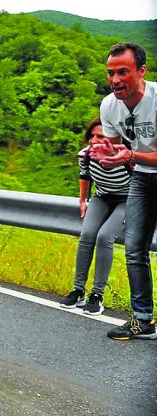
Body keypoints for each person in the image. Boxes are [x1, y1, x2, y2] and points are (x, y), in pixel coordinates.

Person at [90, 42, 157, 340]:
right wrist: (105, 155)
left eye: (123, 72)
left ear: (141, 71)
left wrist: (130, 156)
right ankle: (143, 320)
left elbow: (130, 154)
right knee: (134, 250)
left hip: (143, 167)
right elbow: (115, 147)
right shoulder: (109, 105)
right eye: (110, 73)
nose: (115, 80)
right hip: (142, 178)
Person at [60, 119, 131, 315]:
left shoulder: (124, 157)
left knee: (104, 236)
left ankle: (97, 295)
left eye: (100, 136)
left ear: (113, 139)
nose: (93, 140)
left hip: (127, 200)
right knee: (87, 234)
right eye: (91, 136)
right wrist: (83, 201)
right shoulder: (85, 155)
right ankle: (78, 290)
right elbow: (85, 177)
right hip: (102, 197)